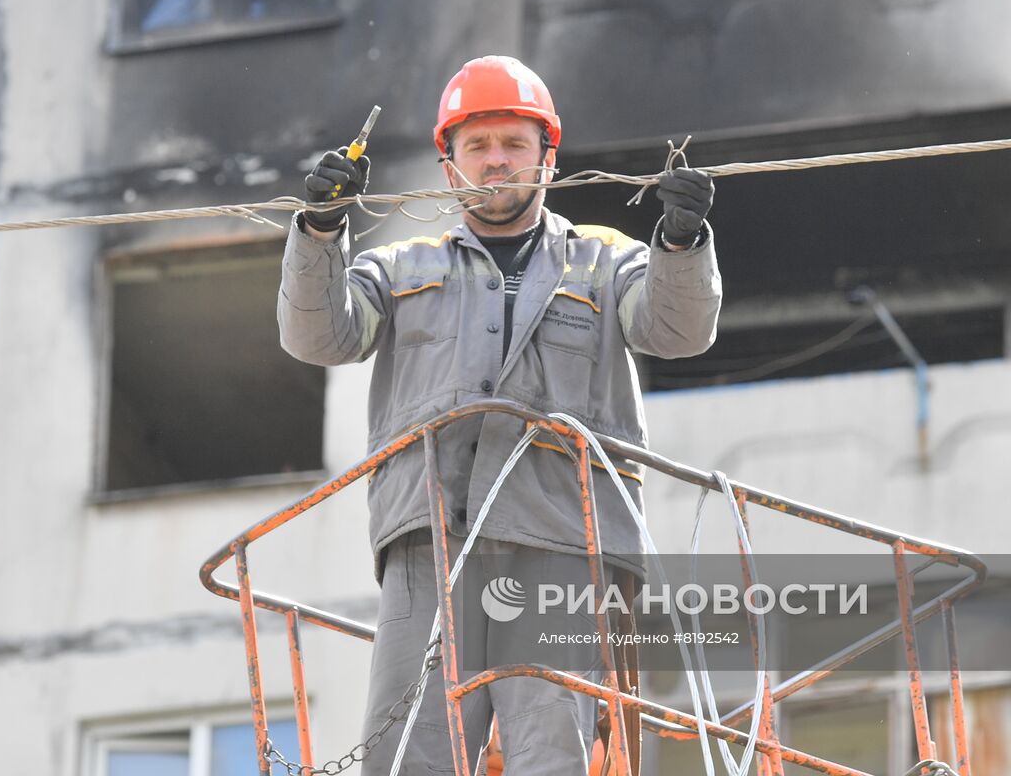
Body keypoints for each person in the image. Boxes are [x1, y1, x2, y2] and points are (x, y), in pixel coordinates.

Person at [278, 55, 721, 774]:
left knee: (553, 752)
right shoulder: (401, 267)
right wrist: (322, 231)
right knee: (409, 756)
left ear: (549, 158)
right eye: (477, 146)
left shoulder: (605, 263)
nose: (496, 162)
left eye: (514, 144)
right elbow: (320, 336)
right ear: (449, 166)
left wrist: (680, 243)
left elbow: (677, 331)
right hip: (429, 544)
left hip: (562, 546)